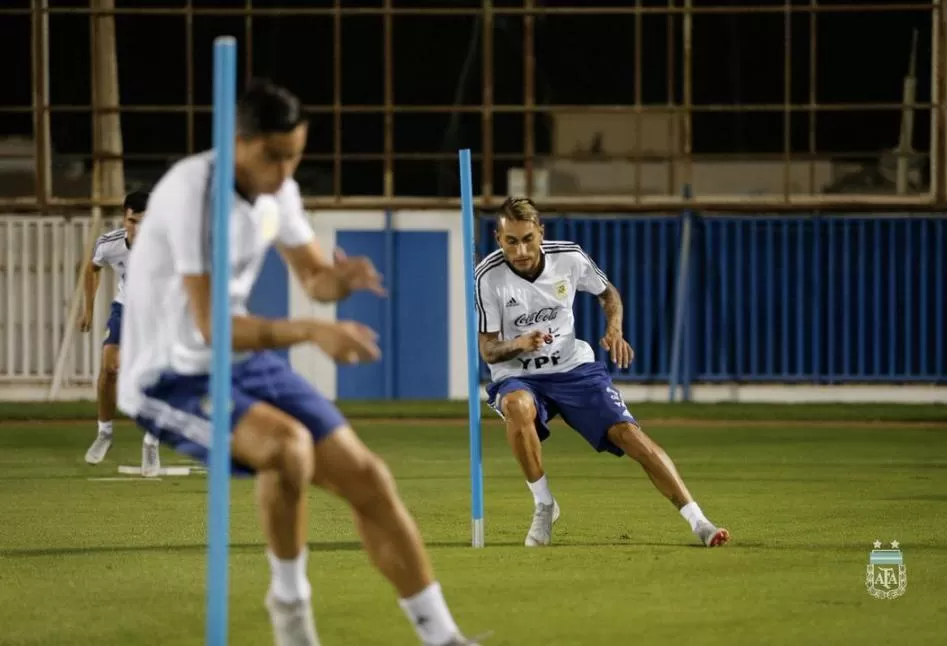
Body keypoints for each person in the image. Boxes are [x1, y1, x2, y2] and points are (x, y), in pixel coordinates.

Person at [117, 79, 481, 646]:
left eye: (295, 156)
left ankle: (443, 637)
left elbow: (313, 277)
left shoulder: (278, 191)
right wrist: (312, 330)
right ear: (237, 142)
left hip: (240, 358)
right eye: (272, 156)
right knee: (287, 449)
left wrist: (339, 281)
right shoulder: (191, 194)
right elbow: (212, 325)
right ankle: (290, 611)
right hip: (169, 372)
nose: (285, 172)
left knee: (370, 477)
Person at [475, 197, 730, 549]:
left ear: (541, 233)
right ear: (498, 238)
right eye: (511, 241)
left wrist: (615, 327)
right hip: (519, 375)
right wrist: (519, 343)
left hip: (574, 367)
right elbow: (488, 349)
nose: (520, 250)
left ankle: (699, 521)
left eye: (528, 239)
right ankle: (544, 505)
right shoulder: (488, 277)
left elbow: (608, 293)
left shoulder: (570, 257)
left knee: (630, 434)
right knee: (518, 406)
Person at [81, 190, 162, 477]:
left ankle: (151, 443)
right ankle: (105, 433)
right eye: (133, 221)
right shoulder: (110, 244)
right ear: (124, 218)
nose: (139, 228)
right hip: (125, 308)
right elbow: (92, 269)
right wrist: (88, 310)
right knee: (110, 367)